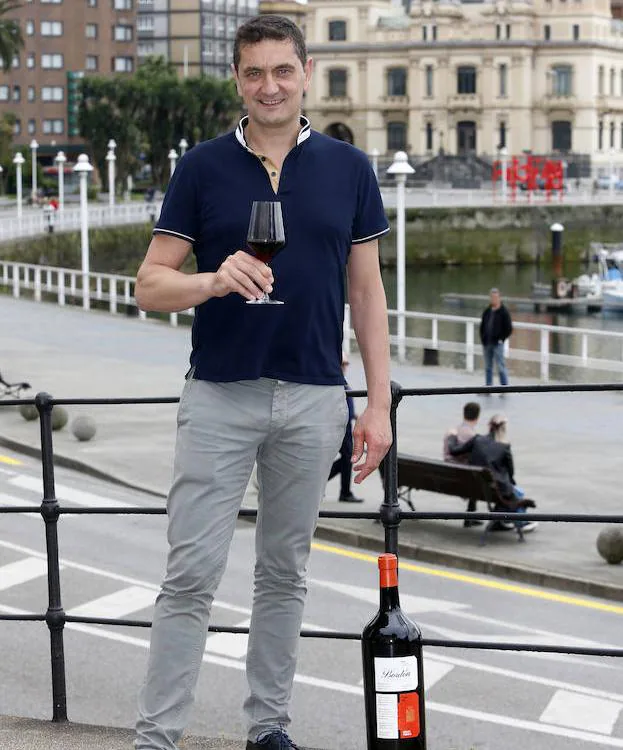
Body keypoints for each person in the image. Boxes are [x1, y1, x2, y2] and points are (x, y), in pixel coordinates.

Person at [133, 15, 392, 750]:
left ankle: (268, 727)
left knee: (285, 575)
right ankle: (157, 737)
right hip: (219, 393)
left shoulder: (349, 168)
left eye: (282, 71)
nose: (268, 86)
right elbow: (149, 285)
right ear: (237, 80)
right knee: (190, 576)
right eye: (254, 73)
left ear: (305, 74)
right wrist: (213, 279)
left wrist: (376, 404)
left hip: (313, 397)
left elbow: (366, 295)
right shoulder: (202, 167)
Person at [447, 414, 537, 533]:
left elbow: (454, 451)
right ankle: (520, 522)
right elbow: (511, 473)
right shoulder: (504, 447)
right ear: (503, 429)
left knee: (506, 490)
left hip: (474, 486)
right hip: (495, 491)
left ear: (489, 426)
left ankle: (499, 522)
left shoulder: (477, 439)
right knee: (514, 493)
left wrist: (452, 436)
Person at [327, 352, 362, 503]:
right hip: (340, 427)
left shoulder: (340, 381)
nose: (345, 367)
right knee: (348, 458)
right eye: (343, 364)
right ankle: (345, 493)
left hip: (346, 426)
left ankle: (320, 482)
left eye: (346, 364)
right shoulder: (335, 382)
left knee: (347, 459)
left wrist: (355, 415)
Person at [442, 401, 482, 527]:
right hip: (464, 477)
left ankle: (471, 516)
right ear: (477, 417)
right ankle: (470, 516)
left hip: (449, 472)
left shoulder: (452, 431)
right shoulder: (472, 436)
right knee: (477, 477)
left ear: (464, 414)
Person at [479, 287, 512, 387]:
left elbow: (509, 328)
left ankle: (504, 387)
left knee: (500, 366)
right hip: (487, 342)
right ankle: (488, 387)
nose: (493, 299)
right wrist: (483, 338)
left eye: (495, 297)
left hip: (498, 343)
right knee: (488, 367)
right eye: (492, 297)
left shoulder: (504, 312)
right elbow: (482, 326)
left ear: (499, 298)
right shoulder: (487, 311)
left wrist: (501, 339)